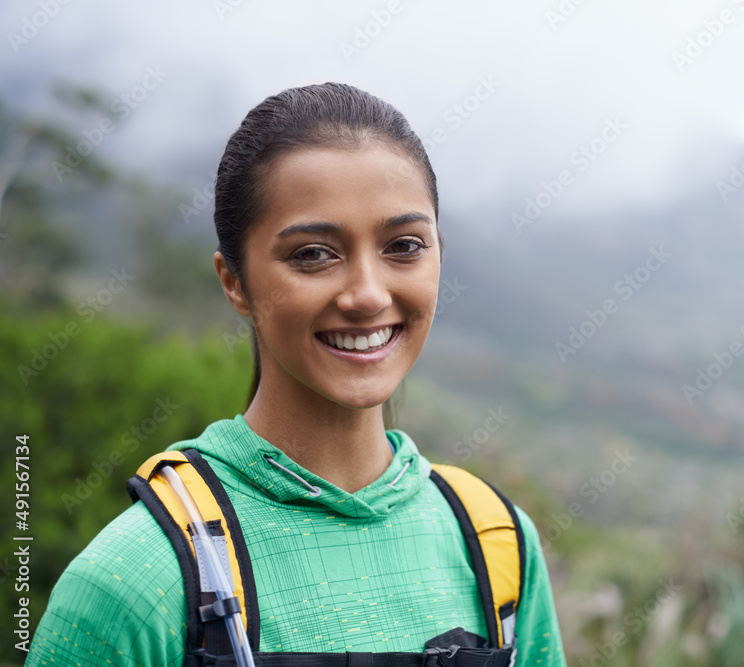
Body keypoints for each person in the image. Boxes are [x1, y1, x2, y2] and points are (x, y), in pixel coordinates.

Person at [25, 82, 565, 666]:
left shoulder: (496, 547)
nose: (366, 294)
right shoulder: (134, 580)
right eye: (312, 254)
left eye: (404, 246)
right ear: (234, 281)